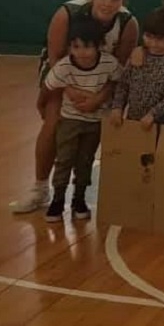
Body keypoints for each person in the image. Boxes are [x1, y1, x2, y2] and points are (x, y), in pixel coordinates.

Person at [10, 0, 138, 214]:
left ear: (122, 1)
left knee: (99, 130)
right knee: (53, 124)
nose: (108, 3)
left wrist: (100, 97)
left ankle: (94, 190)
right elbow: (56, 57)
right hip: (63, 73)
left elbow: (120, 71)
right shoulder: (67, 13)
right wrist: (69, 89)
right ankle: (40, 189)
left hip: (101, 79)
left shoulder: (128, 23)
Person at [39, 16, 122, 223]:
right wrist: (40, 105)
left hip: (95, 122)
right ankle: (58, 200)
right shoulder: (64, 66)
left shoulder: (109, 64)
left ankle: (79, 199)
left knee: (85, 161)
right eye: (76, 47)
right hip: (70, 121)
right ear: (69, 47)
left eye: (87, 47)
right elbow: (48, 86)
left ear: (99, 45)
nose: (82, 53)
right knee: (64, 160)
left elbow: (118, 82)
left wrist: (100, 99)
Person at [110, 7, 164, 129]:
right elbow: (123, 84)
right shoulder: (137, 56)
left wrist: (153, 114)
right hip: (132, 121)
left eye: (160, 39)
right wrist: (117, 107)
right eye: (149, 36)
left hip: (160, 126)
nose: (153, 43)